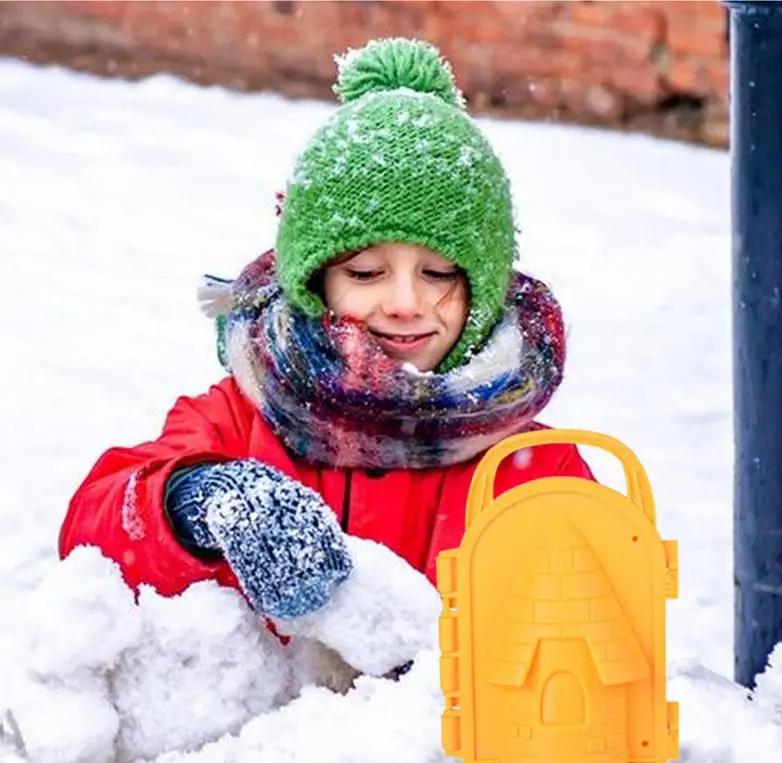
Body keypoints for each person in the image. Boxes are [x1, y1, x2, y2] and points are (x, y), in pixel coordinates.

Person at [59, 37, 594, 658]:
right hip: (257, 749)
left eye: (440, 273)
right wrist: (196, 504)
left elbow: (588, 636)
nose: (403, 301)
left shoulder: (533, 468)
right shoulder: (237, 420)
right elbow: (92, 533)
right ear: (313, 282)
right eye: (365, 273)